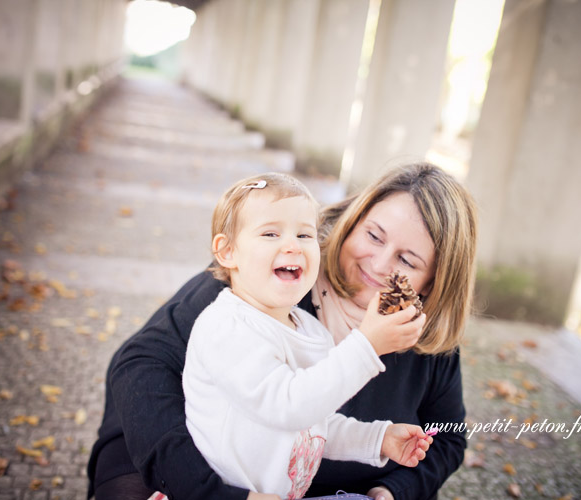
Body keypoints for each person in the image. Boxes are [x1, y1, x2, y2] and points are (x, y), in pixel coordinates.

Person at [87, 162, 477, 500]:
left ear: (432, 283)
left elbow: (447, 437)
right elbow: (141, 364)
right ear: (353, 221)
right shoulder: (276, 272)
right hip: (184, 462)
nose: (378, 263)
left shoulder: (426, 336)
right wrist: (203, 488)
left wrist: (393, 489)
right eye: (373, 236)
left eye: (407, 260)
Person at [152, 173, 432, 500]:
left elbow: (312, 425)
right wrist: (366, 347)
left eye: (304, 234)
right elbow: (290, 405)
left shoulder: (309, 330)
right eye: (271, 233)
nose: (292, 245)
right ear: (227, 252)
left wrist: (378, 439)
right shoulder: (225, 327)